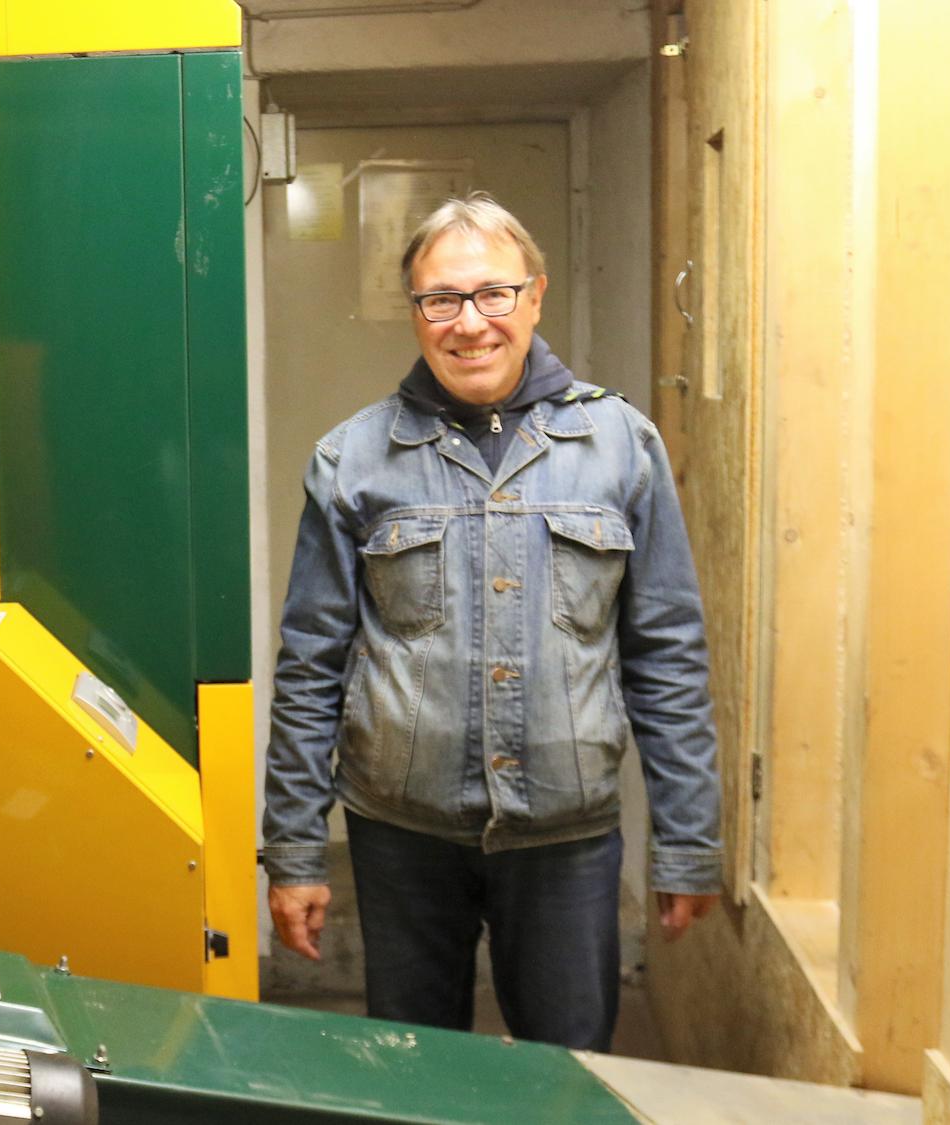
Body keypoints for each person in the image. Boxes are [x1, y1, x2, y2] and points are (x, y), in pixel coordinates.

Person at [262, 192, 720, 1052]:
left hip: (566, 840)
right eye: (442, 300)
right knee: (416, 1083)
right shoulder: (351, 459)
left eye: (492, 294)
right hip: (401, 839)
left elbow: (668, 657)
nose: (469, 323)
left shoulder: (624, 445)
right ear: (416, 314)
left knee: (567, 1081)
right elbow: (310, 669)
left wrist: (688, 839)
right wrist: (291, 850)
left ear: (535, 296)